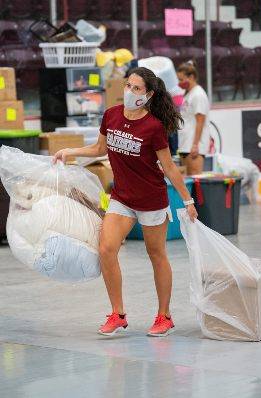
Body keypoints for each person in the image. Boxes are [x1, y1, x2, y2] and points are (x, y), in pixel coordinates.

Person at [53, 67, 198, 337]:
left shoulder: (154, 127)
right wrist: (69, 151)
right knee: (107, 248)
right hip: (122, 197)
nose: (129, 92)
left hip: (151, 199)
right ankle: (118, 314)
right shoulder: (111, 115)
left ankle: (164, 316)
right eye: (128, 86)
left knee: (156, 256)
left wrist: (188, 200)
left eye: (136, 89)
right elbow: (99, 149)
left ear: (149, 95)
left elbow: (168, 167)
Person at [177, 61, 210, 175]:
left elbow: (200, 121)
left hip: (193, 147)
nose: (179, 83)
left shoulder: (198, 95)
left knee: (195, 181)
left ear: (191, 77)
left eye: (181, 79)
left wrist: (195, 145)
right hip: (184, 145)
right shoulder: (188, 94)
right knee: (188, 183)